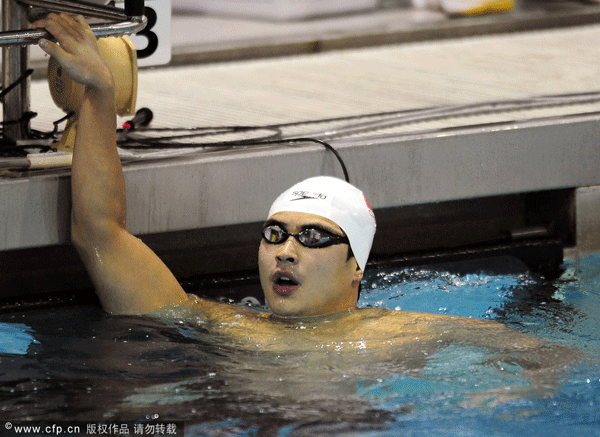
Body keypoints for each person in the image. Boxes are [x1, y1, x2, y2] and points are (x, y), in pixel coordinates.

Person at [34, 15, 579, 399]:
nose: (286, 252)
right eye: (275, 234)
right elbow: (101, 235)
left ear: (356, 266)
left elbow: (562, 358)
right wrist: (99, 94)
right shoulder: (223, 325)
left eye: (314, 237)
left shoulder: (409, 333)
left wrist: (510, 390)